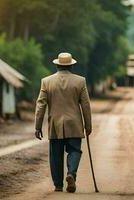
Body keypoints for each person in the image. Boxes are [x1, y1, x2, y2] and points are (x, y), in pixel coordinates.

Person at [34, 52, 92, 193]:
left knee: (56, 155)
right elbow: (85, 105)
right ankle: (71, 173)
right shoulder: (80, 81)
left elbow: (40, 105)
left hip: (55, 124)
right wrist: (88, 125)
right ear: (72, 66)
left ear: (57, 65)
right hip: (74, 124)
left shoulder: (46, 82)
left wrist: (38, 126)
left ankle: (58, 185)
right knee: (74, 150)